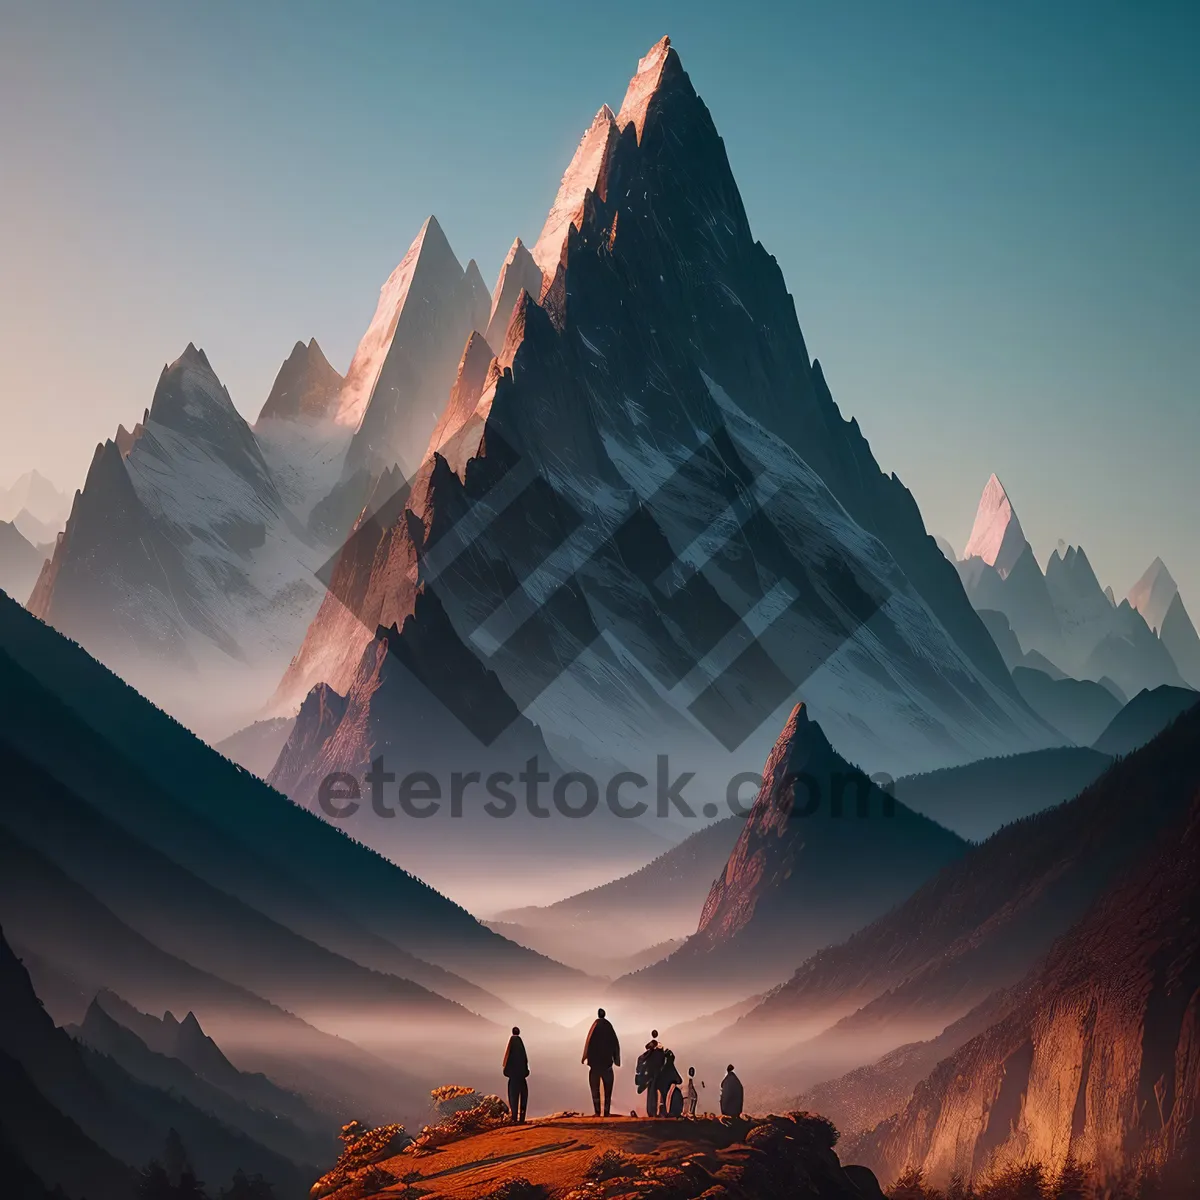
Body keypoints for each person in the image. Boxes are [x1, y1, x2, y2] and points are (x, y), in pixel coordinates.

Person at [581, 1007, 621, 1116]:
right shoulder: (609, 1026)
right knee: (608, 1091)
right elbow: (615, 1043)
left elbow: (588, 1042)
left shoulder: (595, 1026)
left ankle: (597, 1112)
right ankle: (606, 1112)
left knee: (595, 1090)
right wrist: (616, 1059)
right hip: (607, 1065)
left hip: (595, 1065)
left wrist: (585, 1057)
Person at [502, 1025, 529, 1123]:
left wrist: (507, 1071)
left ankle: (514, 1118)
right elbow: (525, 1059)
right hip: (521, 1077)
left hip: (513, 1078)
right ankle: (521, 1119)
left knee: (513, 1098)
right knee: (523, 1097)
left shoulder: (512, 1042)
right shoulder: (520, 1043)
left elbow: (507, 1058)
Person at [635, 1038, 667, 1117]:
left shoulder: (651, 1053)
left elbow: (642, 1059)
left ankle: (652, 1112)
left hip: (652, 1075)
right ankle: (656, 1112)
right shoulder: (658, 1053)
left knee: (652, 1093)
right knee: (656, 1093)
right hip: (656, 1075)